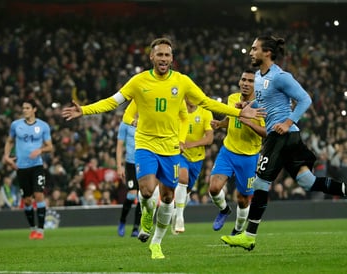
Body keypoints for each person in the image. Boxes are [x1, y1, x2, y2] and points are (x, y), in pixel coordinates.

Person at [62, 37, 266, 259]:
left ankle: (156, 243)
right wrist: (84, 110)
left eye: (167, 55)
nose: (163, 58)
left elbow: (207, 102)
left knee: (168, 197)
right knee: (148, 190)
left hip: (170, 149)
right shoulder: (139, 81)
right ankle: (147, 214)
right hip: (146, 144)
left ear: (172, 59)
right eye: (159, 54)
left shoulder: (182, 81)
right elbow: (113, 101)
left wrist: (238, 113)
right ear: (152, 56)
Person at [221, 35, 347, 251]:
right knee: (308, 182)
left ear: (267, 52)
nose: (250, 52)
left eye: (254, 48)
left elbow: (305, 99)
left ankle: (248, 236)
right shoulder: (258, 76)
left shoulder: (281, 76)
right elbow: (265, 99)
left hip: (281, 135)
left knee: (260, 183)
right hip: (285, 137)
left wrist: (287, 122)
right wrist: (247, 104)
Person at [209, 69, 266, 235]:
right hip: (228, 152)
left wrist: (249, 122)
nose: (246, 83)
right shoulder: (232, 98)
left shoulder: (262, 106)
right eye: (244, 80)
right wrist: (220, 124)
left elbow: (266, 132)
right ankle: (224, 210)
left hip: (249, 157)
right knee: (213, 188)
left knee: (243, 199)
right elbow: (231, 119)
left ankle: (238, 229)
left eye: (250, 81)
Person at [3, 98, 53, 240]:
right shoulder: (16, 125)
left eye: (27, 108)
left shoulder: (43, 126)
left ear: (34, 109)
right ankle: (32, 229)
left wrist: (41, 150)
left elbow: (50, 146)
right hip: (21, 167)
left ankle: (41, 231)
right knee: (27, 200)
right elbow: (9, 141)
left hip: (36, 166)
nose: (24, 110)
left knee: (38, 195)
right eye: (23, 108)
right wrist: (6, 156)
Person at [171, 98, 214, 234]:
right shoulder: (177, 109)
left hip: (197, 158)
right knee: (182, 179)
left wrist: (191, 144)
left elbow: (209, 138)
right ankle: (180, 218)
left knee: (187, 192)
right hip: (179, 153)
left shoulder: (205, 113)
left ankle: (176, 212)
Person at [116, 102, 141, 237]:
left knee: (143, 196)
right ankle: (122, 221)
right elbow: (119, 145)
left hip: (143, 162)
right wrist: (119, 165)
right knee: (132, 194)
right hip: (130, 163)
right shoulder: (125, 123)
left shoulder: (146, 121)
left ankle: (136, 227)